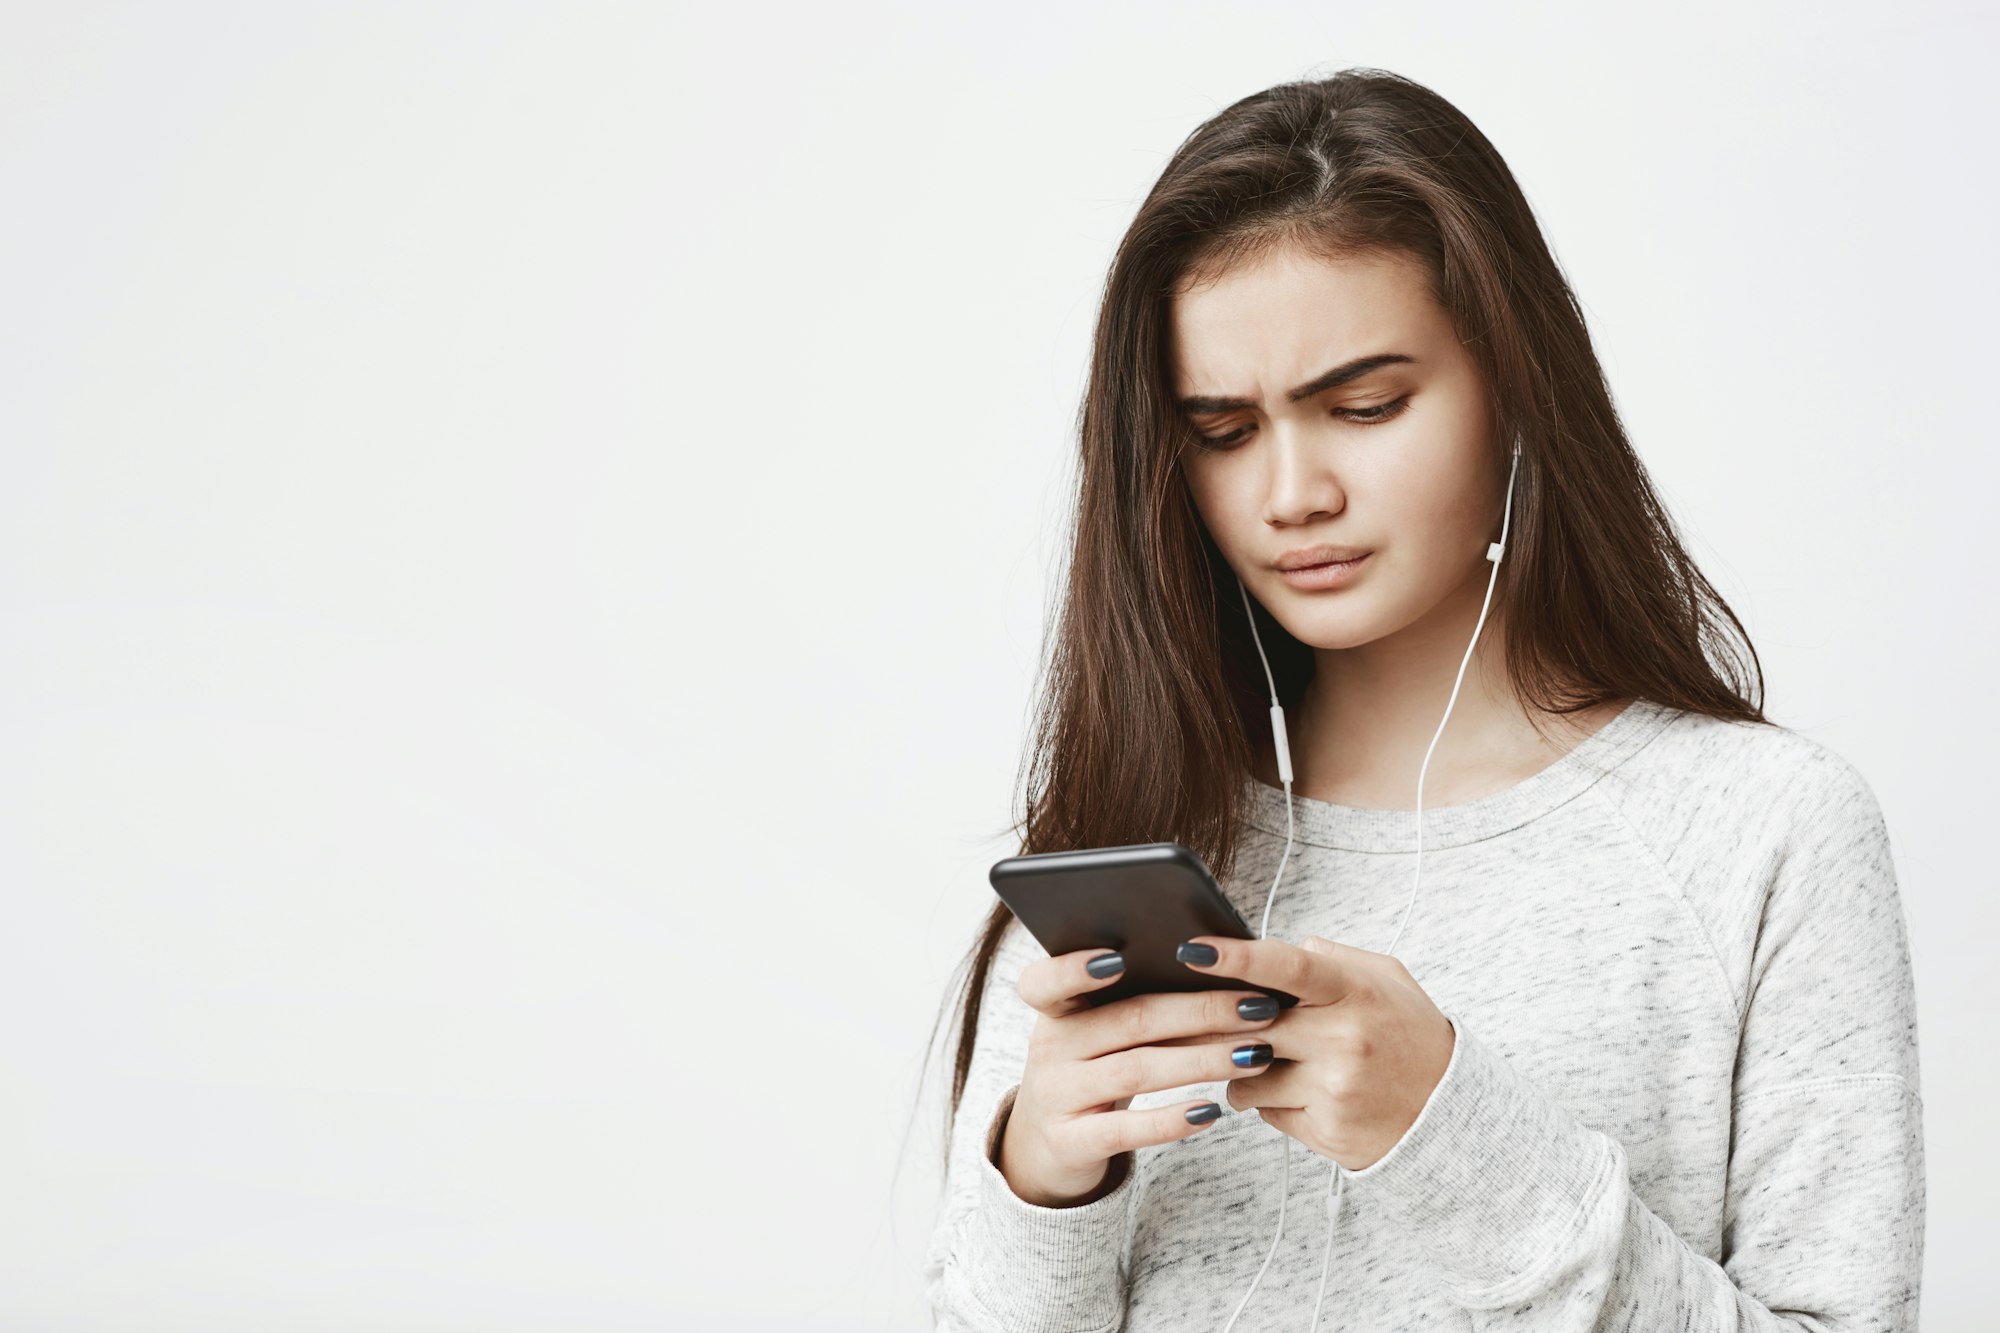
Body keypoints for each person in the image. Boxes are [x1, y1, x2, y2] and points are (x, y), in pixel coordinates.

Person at [918, 67, 1924, 1331]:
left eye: (1363, 405)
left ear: (1512, 390)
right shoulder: (1132, 843)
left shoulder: (1759, 832)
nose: (1291, 492)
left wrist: (1449, 1134)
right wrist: (1043, 1188)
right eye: (1222, 431)